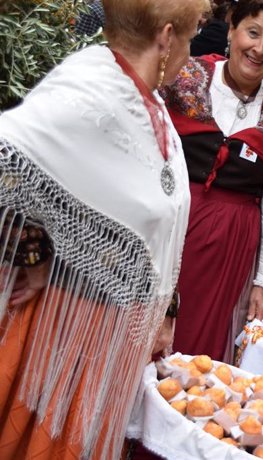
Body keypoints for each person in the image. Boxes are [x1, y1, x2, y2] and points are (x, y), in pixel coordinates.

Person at [0, 0, 209, 457]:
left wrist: (164, 310)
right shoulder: (91, 90)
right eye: (190, 39)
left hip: (107, 337)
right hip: (62, 327)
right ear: (166, 37)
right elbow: (8, 159)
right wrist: (32, 254)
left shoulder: (145, 100)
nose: (190, 53)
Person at [163, 0, 263, 361]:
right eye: (252, 33)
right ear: (231, 29)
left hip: (229, 249)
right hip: (169, 229)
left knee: (195, 352)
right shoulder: (186, 78)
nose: (258, 49)